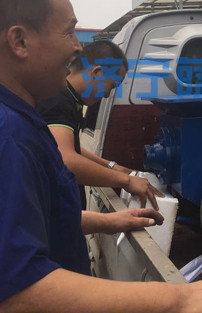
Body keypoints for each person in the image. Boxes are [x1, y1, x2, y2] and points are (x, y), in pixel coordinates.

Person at [0, 0, 202, 313]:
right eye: (69, 32)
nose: (77, 47)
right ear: (20, 42)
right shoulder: (10, 135)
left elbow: (38, 218)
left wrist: (109, 221)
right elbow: (17, 292)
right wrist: (178, 298)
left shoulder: (25, 120)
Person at [36, 40, 163, 209]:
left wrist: (112, 167)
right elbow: (65, 159)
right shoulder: (58, 102)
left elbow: (67, 147)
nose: (107, 95)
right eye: (112, 86)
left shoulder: (69, 99)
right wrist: (126, 181)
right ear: (97, 73)